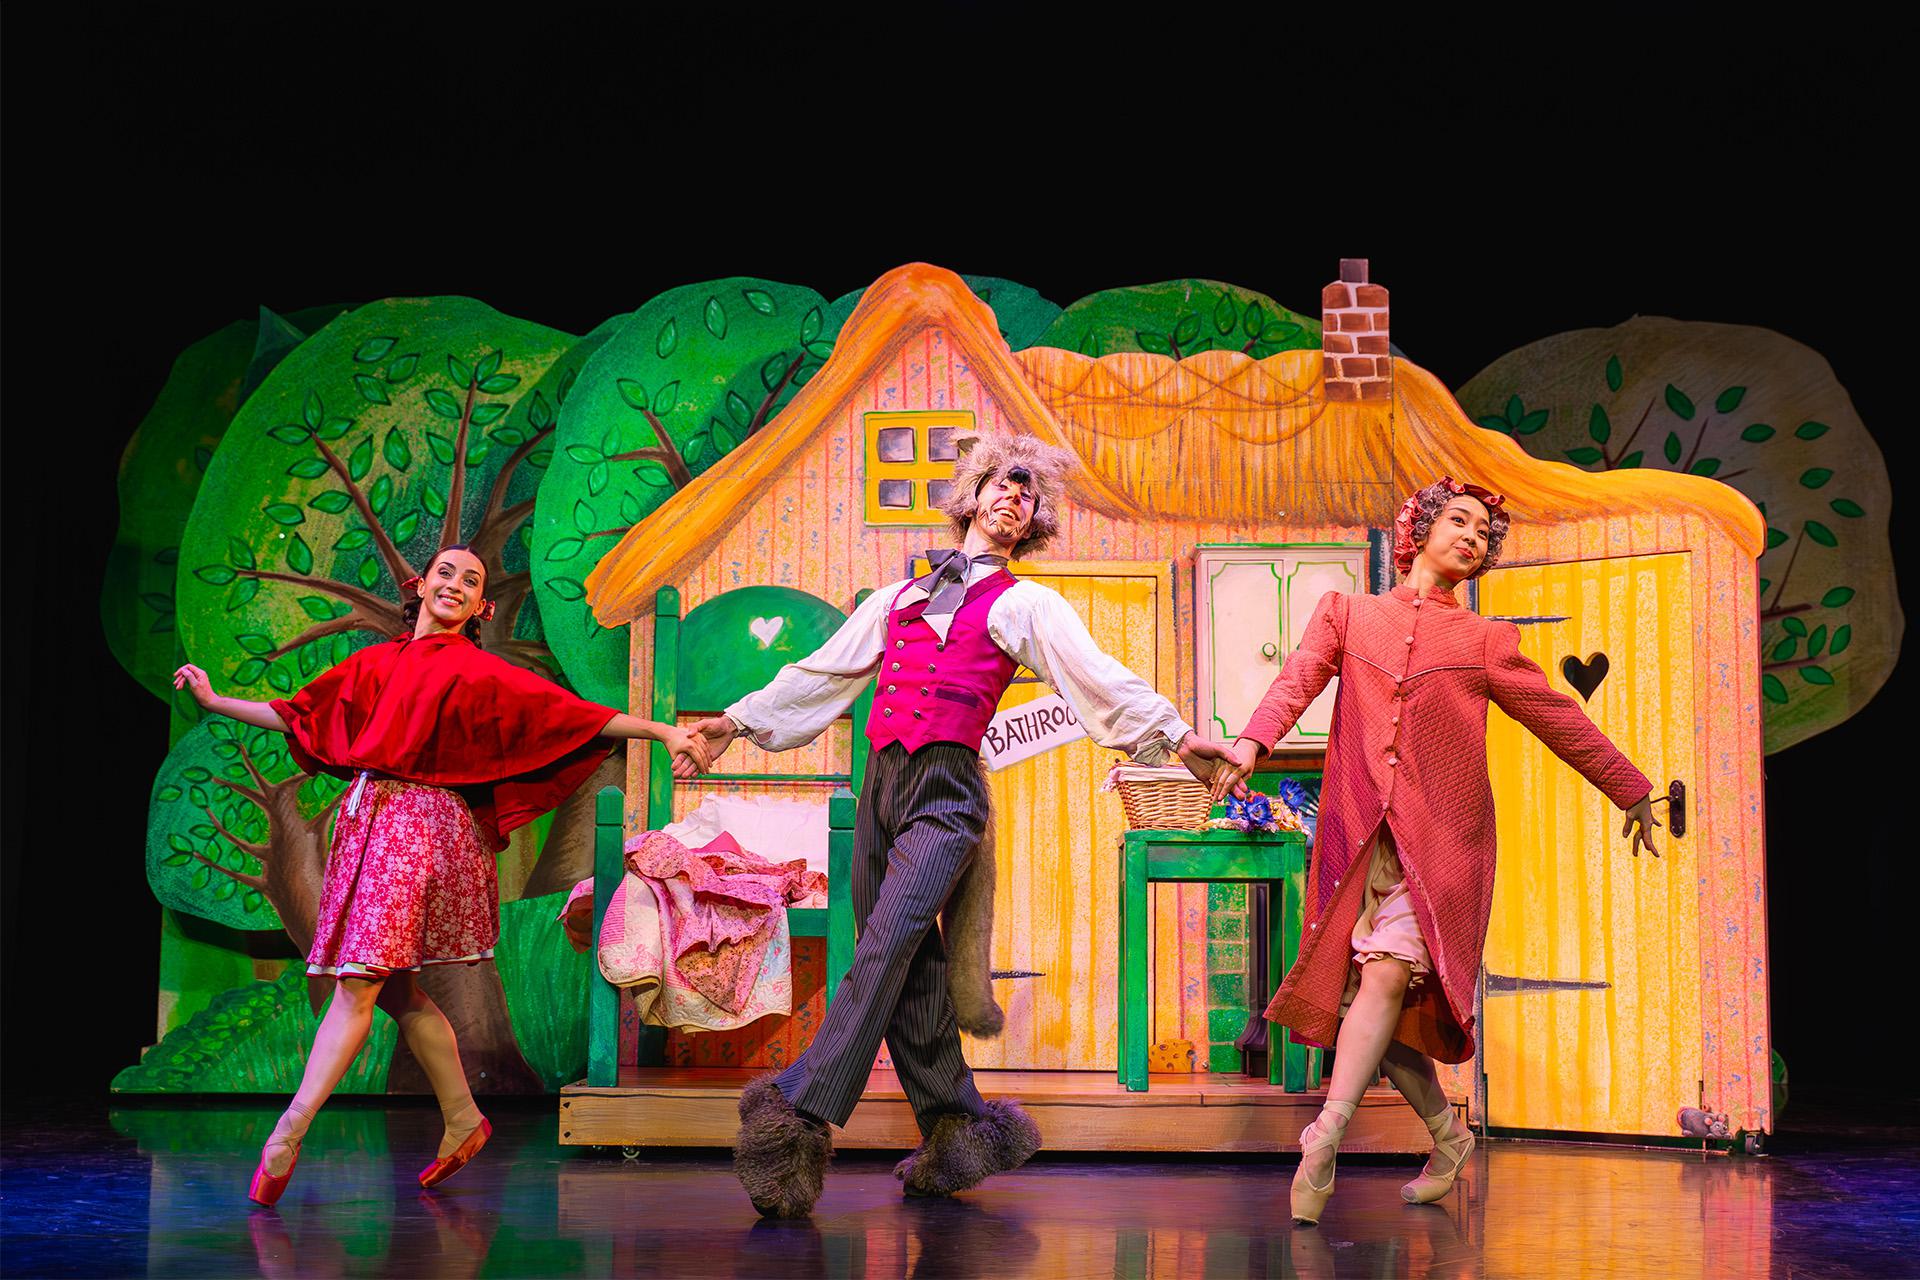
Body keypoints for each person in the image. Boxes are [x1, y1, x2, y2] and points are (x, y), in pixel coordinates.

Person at [689, 433, 1241, 1218]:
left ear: (1034, 521)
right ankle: (958, 1130)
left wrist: (1181, 739)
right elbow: (821, 676)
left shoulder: (1025, 602)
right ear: (973, 494)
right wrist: (732, 725)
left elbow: (1098, 681)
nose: (1015, 499)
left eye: (1030, 495)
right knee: (909, 969)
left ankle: (796, 1112)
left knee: (885, 945)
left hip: (946, 796)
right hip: (881, 784)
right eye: (1003, 485)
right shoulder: (899, 599)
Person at [173, 544, 710, 1206]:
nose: (455, 584)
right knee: (397, 992)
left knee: (359, 983)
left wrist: (661, 731)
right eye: (446, 572)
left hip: (422, 830)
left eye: (471, 580)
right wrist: (215, 698)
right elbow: (297, 714)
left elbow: (571, 716)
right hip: (368, 821)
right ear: (419, 585)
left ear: (481, 605)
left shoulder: (477, 673)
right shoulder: (376, 665)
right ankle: (462, 1117)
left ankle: (289, 1131)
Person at [1208, 478, 1660, 1225]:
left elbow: (1557, 716)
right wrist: (1253, 741)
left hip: (1445, 843)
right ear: (1418, 529)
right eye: (1459, 520)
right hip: (1358, 841)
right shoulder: (1350, 615)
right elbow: (1296, 681)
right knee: (1368, 1015)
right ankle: (1451, 1138)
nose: (1473, 536)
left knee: (1386, 977)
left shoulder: (1486, 641)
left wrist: (1631, 788)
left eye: (1485, 531)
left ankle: (1322, 1140)